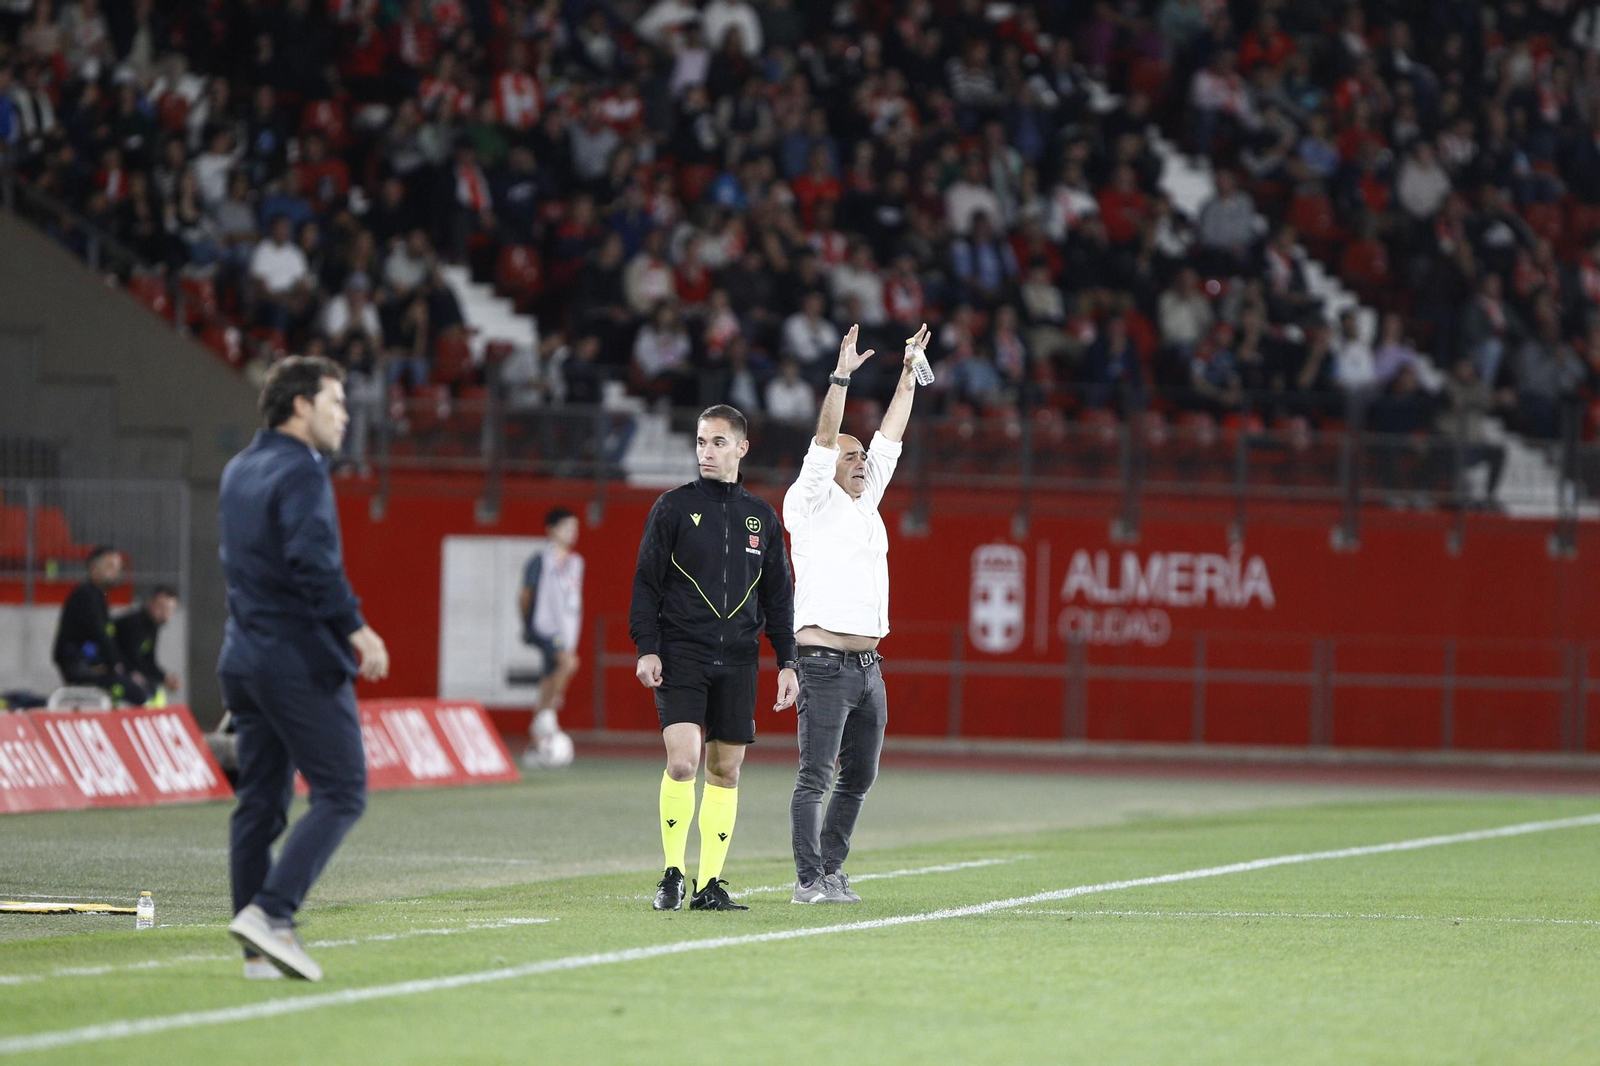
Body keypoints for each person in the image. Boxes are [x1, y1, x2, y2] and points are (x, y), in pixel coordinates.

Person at [220, 355, 390, 982]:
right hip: (296, 658)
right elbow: (312, 561)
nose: (344, 416)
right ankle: (272, 913)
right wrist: (357, 629)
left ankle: (256, 955)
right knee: (342, 791)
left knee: (259, 805)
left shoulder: (239, 468)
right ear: (300, 405)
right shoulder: (302, 469)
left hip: (244, 657)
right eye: (335, 402)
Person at [629, 404, 799, 912]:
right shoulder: (672, 507)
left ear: (741, 448)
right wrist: (647, 647)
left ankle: (709, 885)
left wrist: (787, 661)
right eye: (702, 441)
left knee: (726, 772)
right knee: (683, 762)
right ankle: (672, 874)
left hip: (740, 659)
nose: (707, 451)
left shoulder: (761, 517)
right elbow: (646, 583)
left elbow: (779, 596)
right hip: (682, 653)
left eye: (718, 442)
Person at [782, 324, 927, 904]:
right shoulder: (809, 500)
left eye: (861, 456)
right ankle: (807, 880)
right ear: (826, 465)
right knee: (816, 776)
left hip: (869, 666)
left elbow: (891, 434)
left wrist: (908, 373)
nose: (862, 461)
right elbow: (825, 439)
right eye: (851, 456)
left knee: (859, 777)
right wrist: (840, 378)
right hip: (822, 662)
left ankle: (830, 869)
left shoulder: (867, 501)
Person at [520, 507, 584, 769]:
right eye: (566, 527)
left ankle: (535, 744)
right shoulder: (540, 560)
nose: (572, 533)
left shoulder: (576, 562)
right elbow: (525, 594)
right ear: (551, 530)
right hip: (546, 628)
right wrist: (528, 625)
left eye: (575, 528)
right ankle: (547, 716)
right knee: (568, 663)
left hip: (567, 632)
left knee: (550, 678)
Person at [52, 545, 148, 706]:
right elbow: (100, 636)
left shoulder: (98, 596)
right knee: (137, 693)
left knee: (143, 686)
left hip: (92, 665)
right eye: (110, 565)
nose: (116, 571)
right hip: (80, 668)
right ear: (94, 568)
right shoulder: (85, 595)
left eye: (118, 567)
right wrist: (117, 666)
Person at [113, 586, 181, 707]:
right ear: (150, 602)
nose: (164, 613)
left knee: (157, 693)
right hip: (115, 674)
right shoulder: (134, 623)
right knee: (142, 693)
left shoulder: (153, 627)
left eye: (169, 609)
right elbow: (123, 655)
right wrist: (131, 672)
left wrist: (165, 678)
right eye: (161, 607)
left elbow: (149, 661)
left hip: (128, 674)